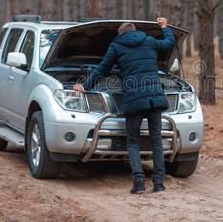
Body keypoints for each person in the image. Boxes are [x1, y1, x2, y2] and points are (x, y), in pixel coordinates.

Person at [73, 17, 176, 194]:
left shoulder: (116, 46)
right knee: (156, 140)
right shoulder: (149, 41)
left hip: (135, 99)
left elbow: (102, 69)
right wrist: (164, 27)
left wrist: (84, 86)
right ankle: (159, 183)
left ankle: (139, 184)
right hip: (155, 98)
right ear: (134, 31)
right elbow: (169, 43)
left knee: (133, 142)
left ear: (120, 34)